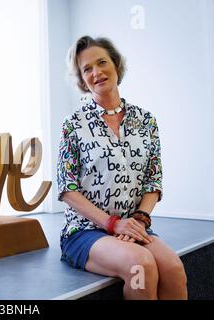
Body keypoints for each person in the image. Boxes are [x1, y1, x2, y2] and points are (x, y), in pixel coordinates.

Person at [57, 35, 187, 300]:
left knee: (174, 268)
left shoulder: (146, 120)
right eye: (87, 69)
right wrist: (112, 224)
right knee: (141, 266)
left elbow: (153, 182)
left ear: (115, 64)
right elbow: (66, 188)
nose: (97, 72)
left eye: (102, 62)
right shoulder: (74, 123)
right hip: (85, 231)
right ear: (82, 81)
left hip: (133, 226)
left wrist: (138, 220)